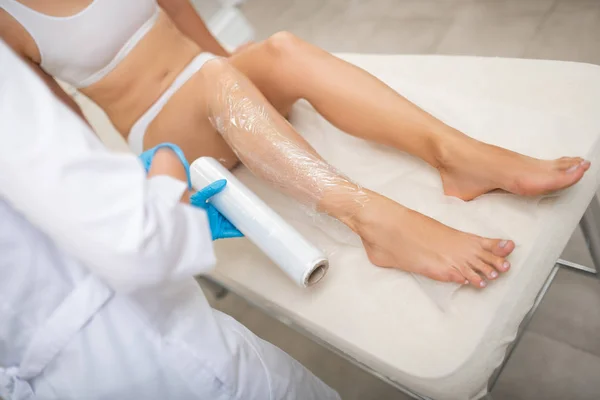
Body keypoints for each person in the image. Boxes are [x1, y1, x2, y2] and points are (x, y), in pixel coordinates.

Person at [0, 0, 590, 288]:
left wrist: (246, 84)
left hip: (213, 78)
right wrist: (130, 199)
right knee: (216, 78)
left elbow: (189, 26)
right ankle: (375, 221)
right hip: (161, 128)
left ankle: (457, 156)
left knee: (278, 48)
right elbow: (60, 121)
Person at [0, 42, 340, 400]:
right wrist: (166, 171)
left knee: (277, 56)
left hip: (61, 382)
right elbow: (139, 247)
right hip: (152, 357)